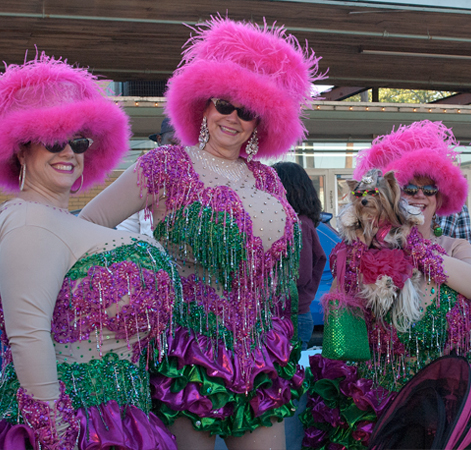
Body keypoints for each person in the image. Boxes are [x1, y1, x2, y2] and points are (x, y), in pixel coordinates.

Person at [79, 17, 324, 450]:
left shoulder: (268, 180)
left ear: (260, 122)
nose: (233, 117)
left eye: (246, 111)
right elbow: (88, 225)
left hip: (263, 352)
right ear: (203, 105)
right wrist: (137, 281)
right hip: (187, 352)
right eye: (223, 104)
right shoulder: (166, 165)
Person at [0, 54, 178, 450]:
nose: (69, 152)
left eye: (78, 142)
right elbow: (28, 337)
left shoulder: (61, 221)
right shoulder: (29, 220)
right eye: (53, 140)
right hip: (80, 426)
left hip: (119, 417)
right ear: (20, 149)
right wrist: (56, 435)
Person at [301, 121, 471, 450]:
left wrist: (414, 245)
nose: (419, 196)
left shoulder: (454, 246)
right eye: (410, 188)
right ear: (392, 194)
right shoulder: (366, 248)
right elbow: (351, 304)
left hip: (446, 403)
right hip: (379, 398)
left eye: (429, 189)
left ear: (441, 196)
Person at [273, 162, 326, 351]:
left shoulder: (299, 225)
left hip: (293, 317)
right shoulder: (298, 222)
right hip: (290, 315)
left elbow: (299, 275)